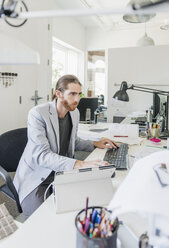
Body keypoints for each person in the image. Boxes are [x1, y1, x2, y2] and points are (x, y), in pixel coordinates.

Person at [14, 75, 118, 219]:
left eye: (79, 94)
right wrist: (80, 164)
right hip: (38, 177)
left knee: (84, 206)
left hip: (62, 172)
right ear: (59, 94)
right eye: (72, 94)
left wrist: (95, 143)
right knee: (43, 220)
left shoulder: (74, 112)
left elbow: (73, 141)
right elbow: (42, 156)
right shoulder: (38, 114)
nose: (77, 99)